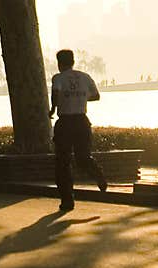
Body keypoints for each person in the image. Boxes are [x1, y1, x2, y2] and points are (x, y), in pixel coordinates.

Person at [49, 49, 108, 212]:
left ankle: (67, 201)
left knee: (63, 162)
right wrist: (80, 97)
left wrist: (52, 109)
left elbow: (55, 94)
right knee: (83, 157)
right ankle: (97, 174)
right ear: (73, 61)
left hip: (66, 122)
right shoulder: (85, 77)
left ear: (59, 63)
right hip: (82, 121)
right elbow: (96, 96)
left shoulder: (58, 78)